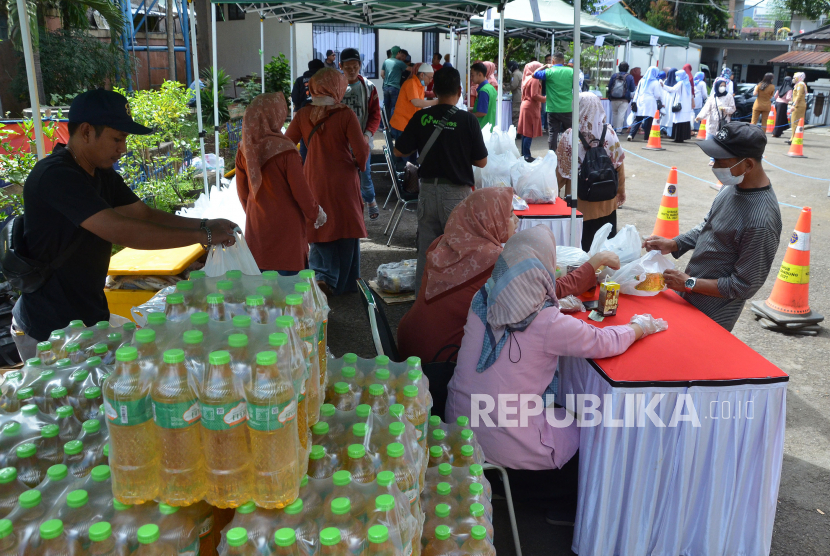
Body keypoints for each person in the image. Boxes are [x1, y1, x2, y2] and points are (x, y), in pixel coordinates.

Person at [445, 226, 666, 524]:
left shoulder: (483, 299)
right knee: (591, 429)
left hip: (458, 435)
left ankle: (501, 483)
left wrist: (555, 304)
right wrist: (641, 326)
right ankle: (563, 507)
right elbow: (605, 341)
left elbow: (520, 312)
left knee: (558, 413)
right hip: (505, 450)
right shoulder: (546, 322)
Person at [10, 89, 237, 359]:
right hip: (50, 329)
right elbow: (122, 231)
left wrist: (205, 223)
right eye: (117, 138)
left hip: (89, 316)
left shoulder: (100, 173)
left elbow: (143, 215)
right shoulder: (56, 176)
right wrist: (206, 236)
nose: (123, 148)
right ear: (86, 131)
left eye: (125, 139)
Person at [397, 188, 622, 362]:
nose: (516, 220)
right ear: (487, 221)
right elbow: (549, 289)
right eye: (508, 215)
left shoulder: (444, 243)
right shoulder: (493, 259)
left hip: (409, 340)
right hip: (440, 359)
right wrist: (594, 263)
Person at [644, 122, 782, 332]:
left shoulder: (761, 222)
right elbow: (709, 225)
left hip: (713, 315)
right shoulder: (733, 186)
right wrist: (673, 244)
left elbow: (743, 285)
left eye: (720, 160)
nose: (714, 165)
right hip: (687, 297)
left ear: (748, 165)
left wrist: (690, 283)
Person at [393, 67, 488, 294]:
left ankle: (422, 304)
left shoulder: (422, 117)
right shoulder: (467, 120)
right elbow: (482, 162)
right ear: (459, 90)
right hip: (456, 194)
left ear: (433, 89)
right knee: (458, 251)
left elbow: (399, 151)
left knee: (426, 250)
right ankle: (452, 305)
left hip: (427, 192)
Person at [285, 68, 370, 295]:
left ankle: (321, 276)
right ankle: (348, 282)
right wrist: (359, 164)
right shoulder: (345, 114)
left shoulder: (303, 115)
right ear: (338, 87)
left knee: (319, 224)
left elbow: (286, 144)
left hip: (313, 176)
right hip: (343, 179)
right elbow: (361, 149)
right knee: (345, 225)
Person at [236, 93, 323, 275]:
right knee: (290, 290)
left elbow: (242, 192)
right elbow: (302, 193)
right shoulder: (286, 150)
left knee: (262, 291)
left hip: (257, 224)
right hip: (287, 228)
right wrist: (316, 214)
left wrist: (254, 212)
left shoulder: (245, 149)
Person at [556, 93, 626, 251]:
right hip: (607, 202)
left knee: (582, 254)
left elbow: (560, 172)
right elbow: (619, 167)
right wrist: (620, 192)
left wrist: (553, 193)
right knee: (605, 251)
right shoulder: (610, 133)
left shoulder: (570, 136)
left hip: (580, 205)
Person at [339, 47, 382, 221]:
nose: (351, 71)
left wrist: (367, 135)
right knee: (342, 178)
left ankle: (370, 200)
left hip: (362, 141)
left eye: (355, 67)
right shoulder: (336, 87)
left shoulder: (368, 87)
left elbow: (375, 114)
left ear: (360, 66)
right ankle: (348, 209)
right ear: (340, 66)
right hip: (340, 143)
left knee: (365, 174)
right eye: (348, 67)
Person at [389, 63, 438, 164]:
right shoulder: (411, 83)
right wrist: (438, 102)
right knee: (406, 157)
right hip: (402, 124)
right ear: (422, 75)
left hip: (409, 124)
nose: (430, 81)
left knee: (411, 155)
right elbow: (417, 102)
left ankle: (410, 174)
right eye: (430, 77)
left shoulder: (419, 84)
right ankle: (405, 175)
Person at [534, 52, 575, 151]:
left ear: (553, 61)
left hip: (553, 108)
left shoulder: (549, 71)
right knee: (569, 132)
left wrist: (545, 66)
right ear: (564, 61)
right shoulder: (571, 72)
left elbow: (534, 74)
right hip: (567, 108)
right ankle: (568, 153)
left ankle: (553, 154)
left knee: (553, 133)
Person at [517, 61, 546, 160]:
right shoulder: (534, 79)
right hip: (531, 107)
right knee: (529, 132)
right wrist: (545, 99)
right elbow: (534, 95)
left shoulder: (526, 79)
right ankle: (527, 155)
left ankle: (524, 153)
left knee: (526, 132)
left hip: (525, 105)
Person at [627, 66, 661, 141]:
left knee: (638, 119)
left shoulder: (642, 80)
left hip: (640, 101)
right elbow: (657, 95)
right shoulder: (655, 82)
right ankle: (647, 137)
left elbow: (637, 92)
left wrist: (634, 102)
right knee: (649, 120)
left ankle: (631, 135)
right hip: (650, 102)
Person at [661, 70, 694, 143]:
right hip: (686, 107)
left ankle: (677, 138)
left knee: (678, 121)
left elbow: (673, 89)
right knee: (684, 121)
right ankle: (681, 138)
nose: (676, 77)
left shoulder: (681, 83)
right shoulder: (687, 83)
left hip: (680, 106)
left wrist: (663, 86)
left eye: (678, 75)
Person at [380, 47, 408, 122]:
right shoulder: (399, 63)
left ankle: (383, 124)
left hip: (385, 87)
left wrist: (388, 79)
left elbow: (382, 74)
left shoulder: (386, 61)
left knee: (385, 106)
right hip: (395, 87)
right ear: (398, 53)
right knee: (394, 106)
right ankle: (392, 123)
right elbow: (411, 69)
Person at [606, 62, 636, 132]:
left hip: (613, 98)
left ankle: (614, 130)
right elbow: (632, 89)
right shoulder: (630, 77)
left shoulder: (614, 75)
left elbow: (609, 86)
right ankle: (618, 130)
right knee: (621, 114)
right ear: (627, 68)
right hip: (624, 99)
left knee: (614, 113)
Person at [469, 62, 498, 131]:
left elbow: (482, 112)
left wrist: (469, 116)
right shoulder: (491, 88)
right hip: (489, 127)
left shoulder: (483, 91)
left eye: (472, 75)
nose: (471, 78)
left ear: (480, 74)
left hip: (482, 127)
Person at [788, 72, 807, 145]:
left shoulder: (800, 85)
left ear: (799, 78)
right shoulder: (800, 84)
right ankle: (793, 137)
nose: (793, 79)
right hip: (799, 105)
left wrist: (793, 105)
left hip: (798, 106)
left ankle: (794, 138)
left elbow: (798, 96)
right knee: (796, 122)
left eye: (794, 77)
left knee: (795, 122)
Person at [508, 60, 523, 127]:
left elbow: (513, 86)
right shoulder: (520, 73)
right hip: (521, 96)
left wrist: (505, 87)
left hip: (517, 97)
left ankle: (517, 132)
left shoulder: (515, 74)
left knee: (516, 116)